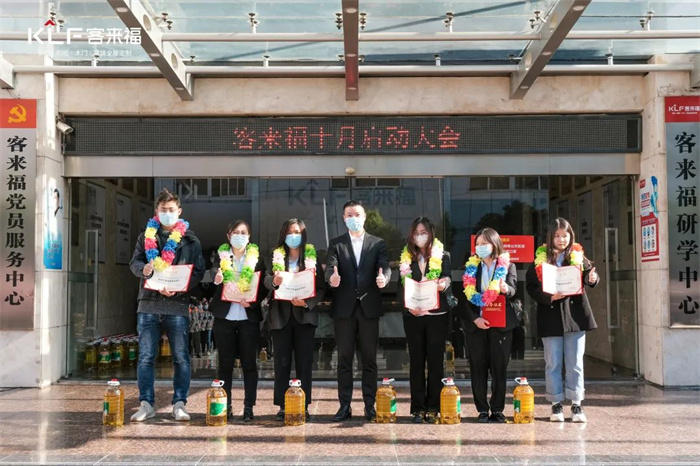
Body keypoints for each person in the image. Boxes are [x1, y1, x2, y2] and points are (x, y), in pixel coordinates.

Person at [129, 188, 205, 422]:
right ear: (157, 211)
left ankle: (179, 403)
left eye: (171, 210)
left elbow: (198, 271)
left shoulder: (190, 240)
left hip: (177, 304)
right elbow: (134, 262)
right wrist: (143, 269)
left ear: (179, 211)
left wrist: (180, 288)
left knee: (181, 357)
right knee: (146, 357)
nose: (167, 213)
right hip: (149, 304)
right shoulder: (145, 236)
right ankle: (146, 404)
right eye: (163, 210)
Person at [525, 217, 598, 423]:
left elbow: (589, 276)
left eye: (565, 235)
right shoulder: (540, 259)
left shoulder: (578, 255)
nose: (561, 239)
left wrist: (592, 279)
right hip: (550, 317)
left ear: (570, 236)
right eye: (557, 236)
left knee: (575, 363)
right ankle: (556, 403)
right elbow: (531, 287)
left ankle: (576, 404)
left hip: (575, 317)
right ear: (550, 237)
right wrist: (549, 297)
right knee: (553, 362)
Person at [325, 200, 391, 422]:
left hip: (368, 309)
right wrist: (331, 279)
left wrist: (384, 279)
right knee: (344, 360)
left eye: (357, 215)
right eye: (349, 215)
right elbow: (330, 267)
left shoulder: (378, 243)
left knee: (369, 360)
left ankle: (369, 405)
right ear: (344, 218)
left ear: (364, 217)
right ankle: (344, 405)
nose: (353, 218)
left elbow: (385, 267)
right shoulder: (336, 243)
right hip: (344, 310)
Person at [264, 218, 326, 421]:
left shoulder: (311, 257)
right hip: (280, 316)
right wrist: (273, 281)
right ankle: (283, 405)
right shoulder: (274, 256)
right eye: (290, 232)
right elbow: (265, 279)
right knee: (281, 363)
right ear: (284, 234)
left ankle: (303, 405)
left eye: (297, 232)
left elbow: (321, 288)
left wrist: (307, 303)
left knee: (304, 363)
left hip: (304, 316)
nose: (294, 236)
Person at [209, 220, 267, 422]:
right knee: (225, 364)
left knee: (249, 364)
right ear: (228, 236)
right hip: (224, 317)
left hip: (247, 318)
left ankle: (249, 406)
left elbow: (263, 287)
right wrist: (216, 278)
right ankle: (225, 405)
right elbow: (214, 275)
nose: (239, 236)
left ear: (249, 237)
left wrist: (252, 302)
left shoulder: (257, 259)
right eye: (235, 232)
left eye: (243, 232)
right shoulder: (221, 256)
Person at [397, 217, 452, 424]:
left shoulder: (443, 255)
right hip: (414, 316)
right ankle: (418, 408)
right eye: (416, 233)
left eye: (424, 232)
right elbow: (401, 286)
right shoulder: (406, 258)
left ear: (431, 233)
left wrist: (443, 284)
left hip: (436, 315)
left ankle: (433, 407)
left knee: (436, 362)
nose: (420, 236)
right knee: (416, 362)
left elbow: (447, 277)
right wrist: (408, 306)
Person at [462, 227, 518, 423]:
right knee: (478, 369)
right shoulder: (471, 267)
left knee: (499, 369)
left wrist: (505, 288)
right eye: (477, 244)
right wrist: (474, 319)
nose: (480, 247)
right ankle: (482, 410)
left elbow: (513, 289)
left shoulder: (508, 265)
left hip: (500, 326)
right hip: (477, 326)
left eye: (484, 243)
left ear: (494, 244)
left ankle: (497, 409)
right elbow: (465, 298)